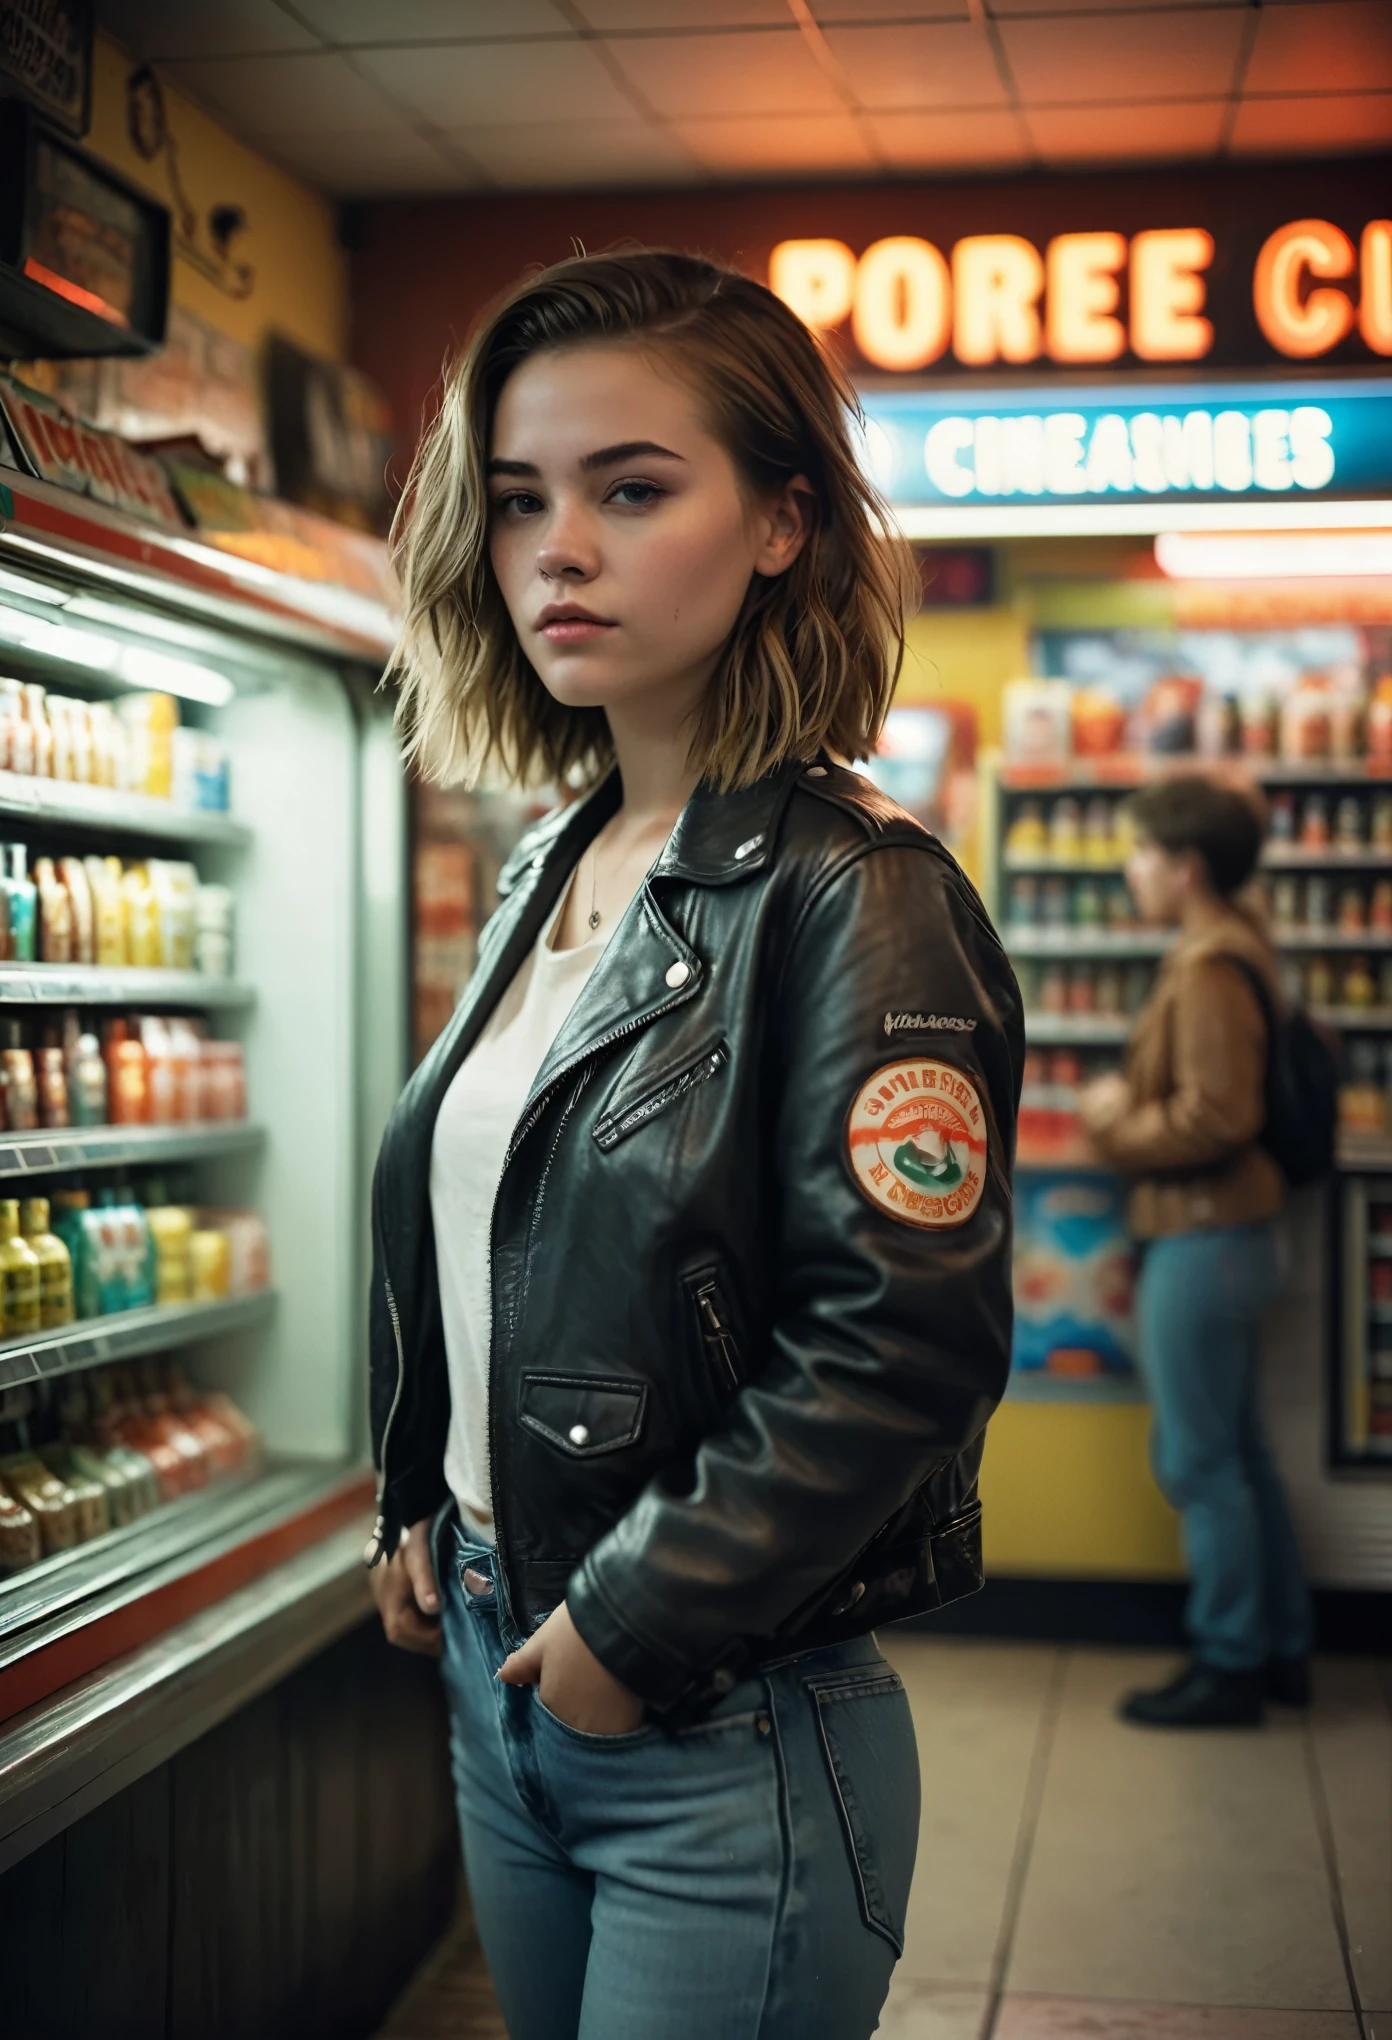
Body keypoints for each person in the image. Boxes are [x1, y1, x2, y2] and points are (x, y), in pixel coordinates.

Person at [365, 249, 1023, 2039]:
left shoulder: (857, 893)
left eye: (630, 488)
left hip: (716, 1710)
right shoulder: (553, 863)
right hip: (508, 1671)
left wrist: (632, 1629)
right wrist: (418, 1490)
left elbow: (902, 1341)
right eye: (516, 502)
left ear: (781, 523)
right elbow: (496, 1233)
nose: (554, 551)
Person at [1079, 773, 1311, 1729]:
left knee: (1199, 1462)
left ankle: (1228, 1664)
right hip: (1235, 1238)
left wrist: (1112, 1122)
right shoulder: (1235, 947)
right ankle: (1280, 1647)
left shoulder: (1208, 964)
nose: (1130, 870)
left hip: (1204, 1237)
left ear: (1184, 867)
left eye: (1140, 854)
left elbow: (1221, 1113)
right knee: (1241, 1456)